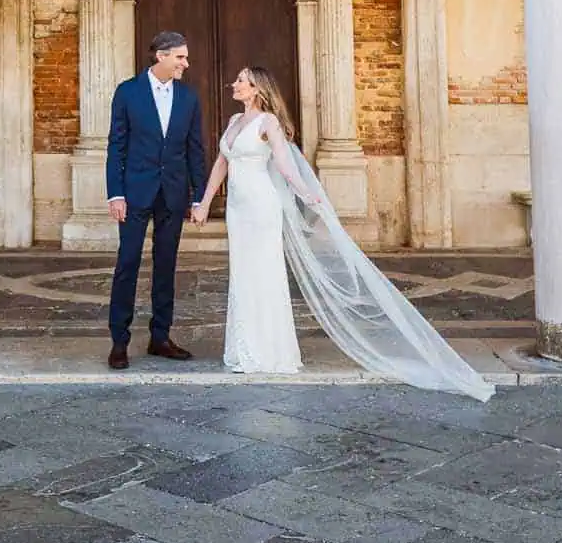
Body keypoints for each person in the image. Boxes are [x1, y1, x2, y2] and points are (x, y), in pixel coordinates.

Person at [191, 65, 494, 400]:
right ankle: (243, 348)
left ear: (257, 89)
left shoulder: (269, 123)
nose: (233, 84)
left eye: (241, 81)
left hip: (262, 207)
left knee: (264, 274)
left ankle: (270, 352)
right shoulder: (235, 122)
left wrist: (307, 193)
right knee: (243, 275)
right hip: (238, 210)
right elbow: (222, 163)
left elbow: (284, 164)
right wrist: (204, 203)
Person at [104, 30, 207, 370]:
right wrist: (115, 193)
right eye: (180, 57)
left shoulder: (189, 98)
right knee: (128, 263)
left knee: (166, 267)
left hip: (173, 194)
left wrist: (199, 197)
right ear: (161, 56)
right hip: (134, 194)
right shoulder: (127, 92)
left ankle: (160, 337)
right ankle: (119, 341)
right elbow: (116, 146)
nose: (186, 63)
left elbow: (196, 151)